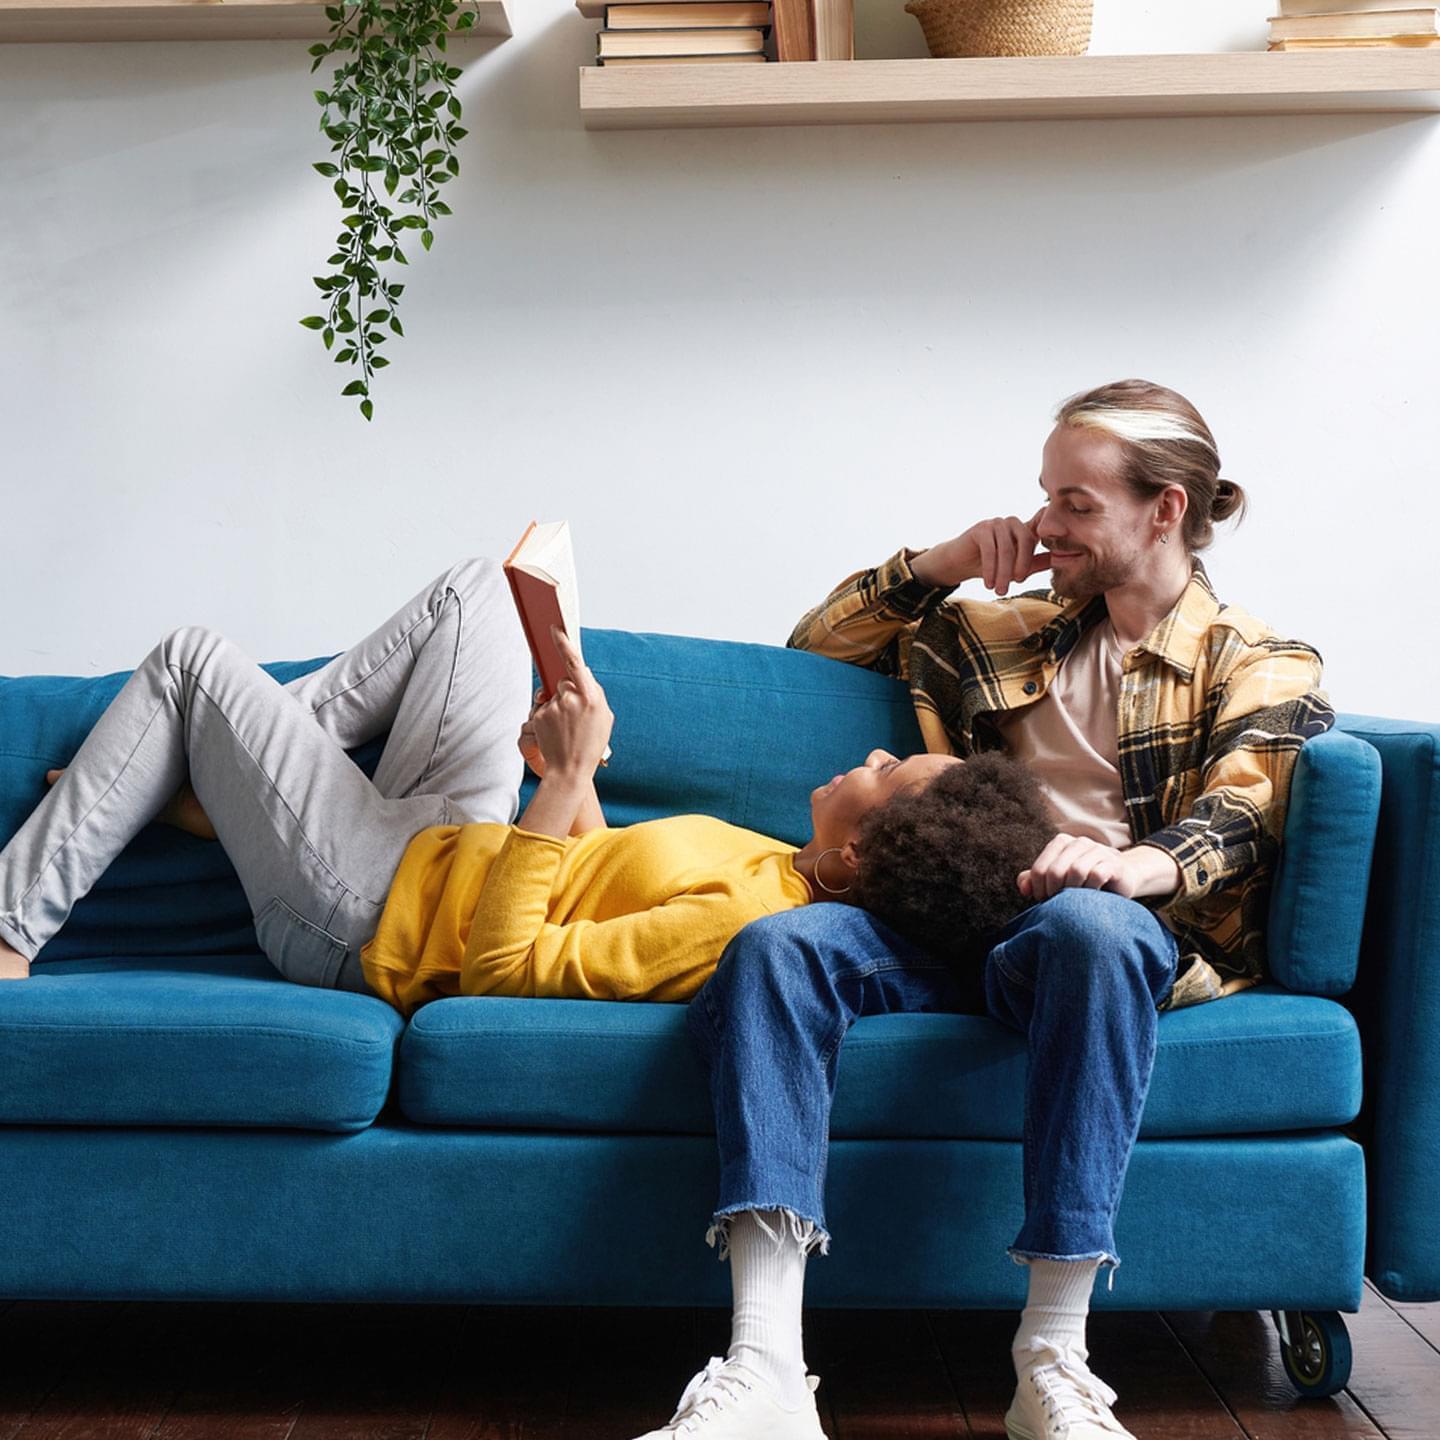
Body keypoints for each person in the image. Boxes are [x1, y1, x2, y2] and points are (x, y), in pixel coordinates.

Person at [641, 378, 1336, 1440]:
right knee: (779, 945)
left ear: (1166, 510)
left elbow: (1247, 810)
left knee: (1089, 929)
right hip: (947, 923)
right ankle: (765, 1363)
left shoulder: (1259, 660)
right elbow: (807, 650)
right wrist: (946, 563)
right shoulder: (1005, 633)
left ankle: (1052, 1359)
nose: (1048, 524)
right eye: (1043, 496)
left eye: (1077, 502)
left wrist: (1130, 868)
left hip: (1096, 928)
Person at [0, 559, 1054, 1015]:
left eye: (886, 772)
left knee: (190, 657)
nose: (869, 757)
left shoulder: (742, 922)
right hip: (447, 839)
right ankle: (222, 759)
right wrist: (563, 769)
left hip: (371, 914)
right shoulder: (779, 862)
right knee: (477, 593)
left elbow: (501, 974)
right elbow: (592, 868)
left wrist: (567, 783)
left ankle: (11, 930)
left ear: (866, 856)